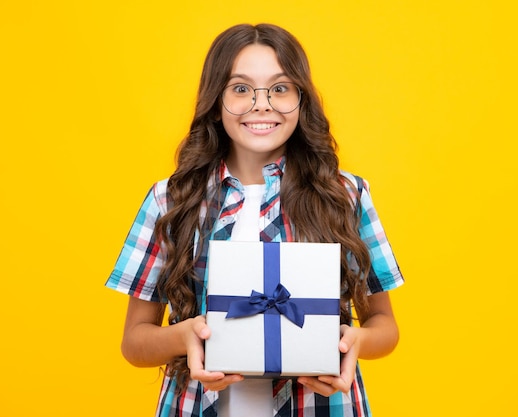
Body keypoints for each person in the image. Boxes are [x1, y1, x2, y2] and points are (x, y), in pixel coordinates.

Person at [106, 23, 404, 417]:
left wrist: (355, 343)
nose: (261, 104)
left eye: (279, 88)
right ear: (216, 101)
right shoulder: (170, 200)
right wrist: (185, 335)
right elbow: (134, 343)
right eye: (241, 88)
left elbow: (385, 326)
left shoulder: (345, 195)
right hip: (197, 406)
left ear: (301, 100)